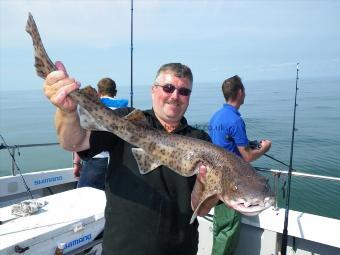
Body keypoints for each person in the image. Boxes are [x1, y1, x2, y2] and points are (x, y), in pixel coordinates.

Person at [44, 62, 214, 255]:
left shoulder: (201, 142)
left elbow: (201, 210)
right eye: (168, 88)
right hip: (123, 248)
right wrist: (67, 112)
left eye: (183, 91)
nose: (175, 96)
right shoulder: (127, 120)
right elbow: (75, 143)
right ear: (153, 90)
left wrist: (205, 186)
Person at [209, 75, 272, 255]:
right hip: (234, 184)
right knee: (228, 231)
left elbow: (221, 145)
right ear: (240, 92)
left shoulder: (215, 117)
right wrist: (265, 148)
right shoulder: (236, 120)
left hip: (216, 180)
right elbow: (246, 157)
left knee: (220, 227)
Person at [73, 78, 128, 190]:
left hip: (95, 160)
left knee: (84, 198)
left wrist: (76, 164)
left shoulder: (90, 107)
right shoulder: (126, 109)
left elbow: (80, 136)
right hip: (120, 162)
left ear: (98, 92)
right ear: (115, 92)